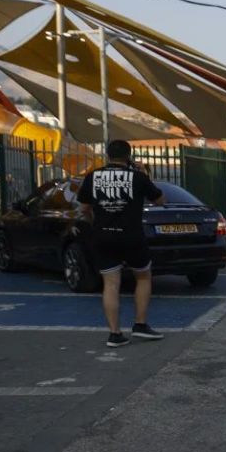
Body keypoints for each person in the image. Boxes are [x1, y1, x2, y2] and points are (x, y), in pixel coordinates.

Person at [76, 139, 166, 348]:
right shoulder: (138, 177)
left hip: (103, 236)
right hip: (132, 236)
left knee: (111, 284)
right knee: (143, 277)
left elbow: (84, 208)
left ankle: (115, 334)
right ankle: (141, 325)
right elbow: (160, 200)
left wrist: (96, 224)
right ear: (129, 156)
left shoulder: (92, 177)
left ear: (108, 155)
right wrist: (146, 175)